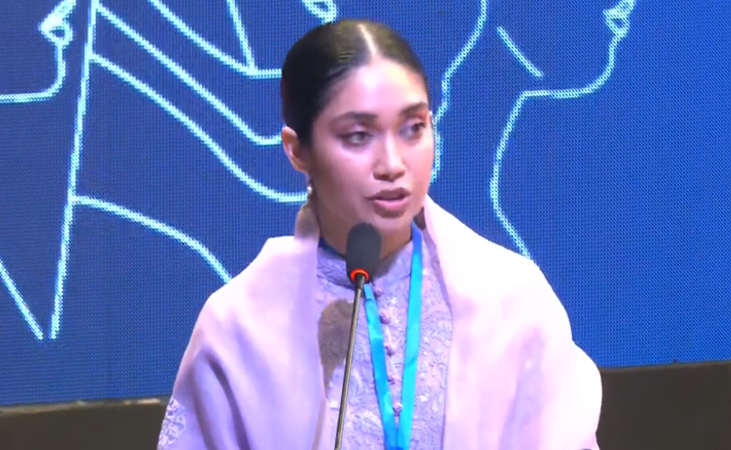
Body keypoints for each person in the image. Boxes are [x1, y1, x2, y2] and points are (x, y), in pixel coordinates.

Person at [158, 19, 602, 450]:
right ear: (297, 151)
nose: (392, 163)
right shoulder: (240, 327)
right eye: (357, 136)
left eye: (414, 128)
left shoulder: (511, 300)